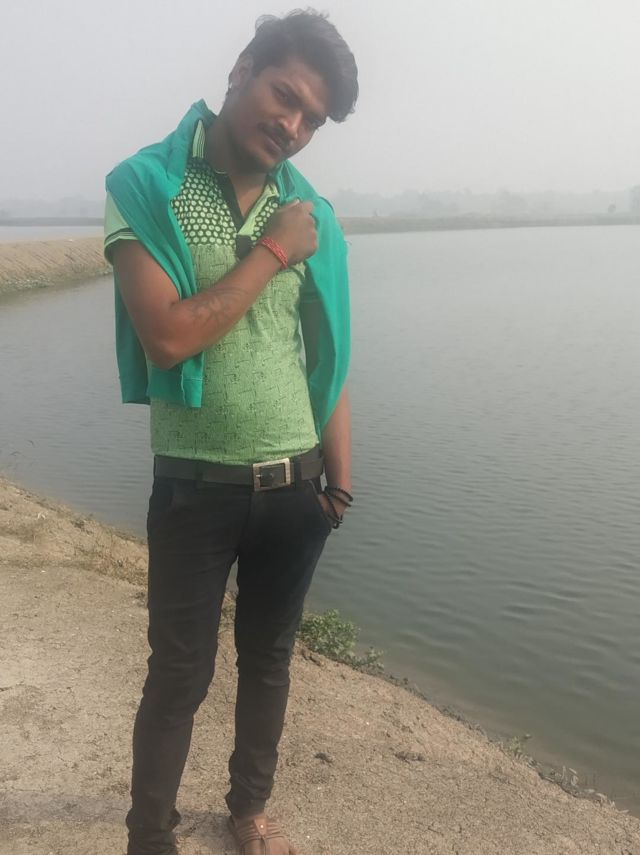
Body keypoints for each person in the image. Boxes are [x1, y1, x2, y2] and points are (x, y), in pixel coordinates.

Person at [104, 10, 358, 855]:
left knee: (269, 661)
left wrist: (339, 484)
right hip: (193, 485)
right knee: (178, 673)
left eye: (311, 119)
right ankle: (151, 835)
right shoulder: (147, 185)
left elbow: (329, 355)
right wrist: (273, 252)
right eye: (286, 96)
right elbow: (167, 336)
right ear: (244, 67)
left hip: (295, 486)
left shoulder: (311, 213)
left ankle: (249, 811)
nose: (293, 125)